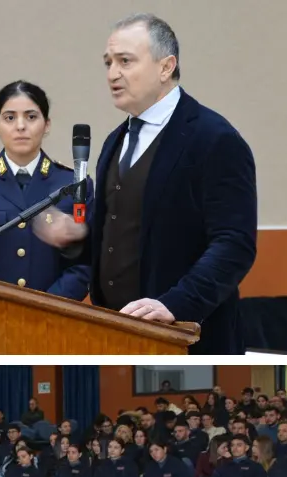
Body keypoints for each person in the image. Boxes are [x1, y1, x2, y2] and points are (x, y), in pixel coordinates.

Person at [80, 13, 256, 355]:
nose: (112, 74)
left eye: (125, 61)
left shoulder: (214, 138)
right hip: (112, 330)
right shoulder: (115, 141)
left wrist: (176, 304)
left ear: (166, 67)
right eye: (108, 63)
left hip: (184, 336)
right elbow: (123, 228)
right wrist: (78, 236)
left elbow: (234, 244)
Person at [0, 81, 90, 297]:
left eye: (31, 117)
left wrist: (46, 307)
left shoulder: (74, 185)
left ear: (47, 124)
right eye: (9, 118)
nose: (21, 126)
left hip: (55, 317)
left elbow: (82, 266)